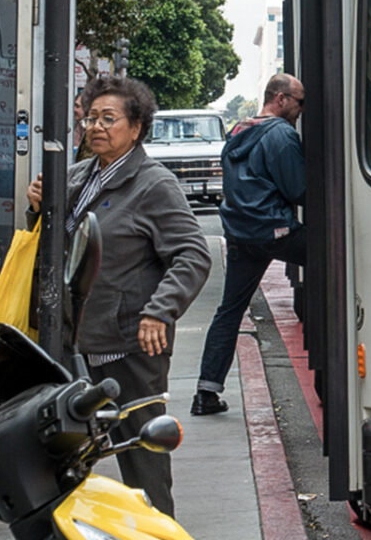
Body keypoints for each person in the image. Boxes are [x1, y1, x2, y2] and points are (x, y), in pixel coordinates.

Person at [27, 76, 210, 516]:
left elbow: (192, 253)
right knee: (62, 460)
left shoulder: (153, 184)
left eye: (109, 119)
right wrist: (38, 209)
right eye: (91, 118)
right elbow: (56, 247)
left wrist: (159, 311)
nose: (96, 127)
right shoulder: (76, 176)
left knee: (143, 462)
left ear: (137, 127)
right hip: (71, 342)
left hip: (128, 345)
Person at [192, 73, 307, 416]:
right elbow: (298, 190)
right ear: (281, 98)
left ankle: (206, 392)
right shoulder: (281, 134)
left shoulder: (239, 130)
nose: (302, 109)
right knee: (336, 260)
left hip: (241, 234)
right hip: (276, 231)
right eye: (300, 102)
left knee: (229, 311)